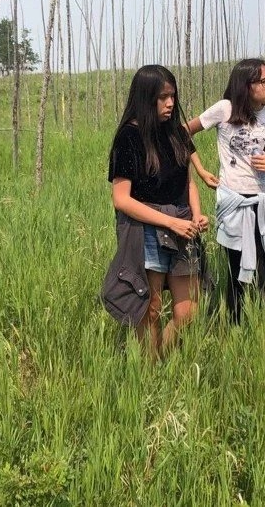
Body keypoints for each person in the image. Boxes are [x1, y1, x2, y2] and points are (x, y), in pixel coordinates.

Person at [103, 65, 210, 359]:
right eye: (162, 97)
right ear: (145, 98)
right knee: (148, 309)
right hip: (146, 228)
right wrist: (170, 222)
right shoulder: (129, 137)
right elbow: (121, 199)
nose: (170, 103)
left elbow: (187, 181)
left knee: (188, 311)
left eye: (172, 96)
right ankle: (150, 375)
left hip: (182, 224)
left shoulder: (176, 132)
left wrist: (196, 215)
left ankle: (160, 356)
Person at [187, 58, 265, 323]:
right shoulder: (225, 110)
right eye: (263, 81)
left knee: (264, 268)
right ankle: (236, 325)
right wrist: (200, 170)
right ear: (245, 85)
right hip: (234, 202)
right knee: (236, 271)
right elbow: (182, 133)